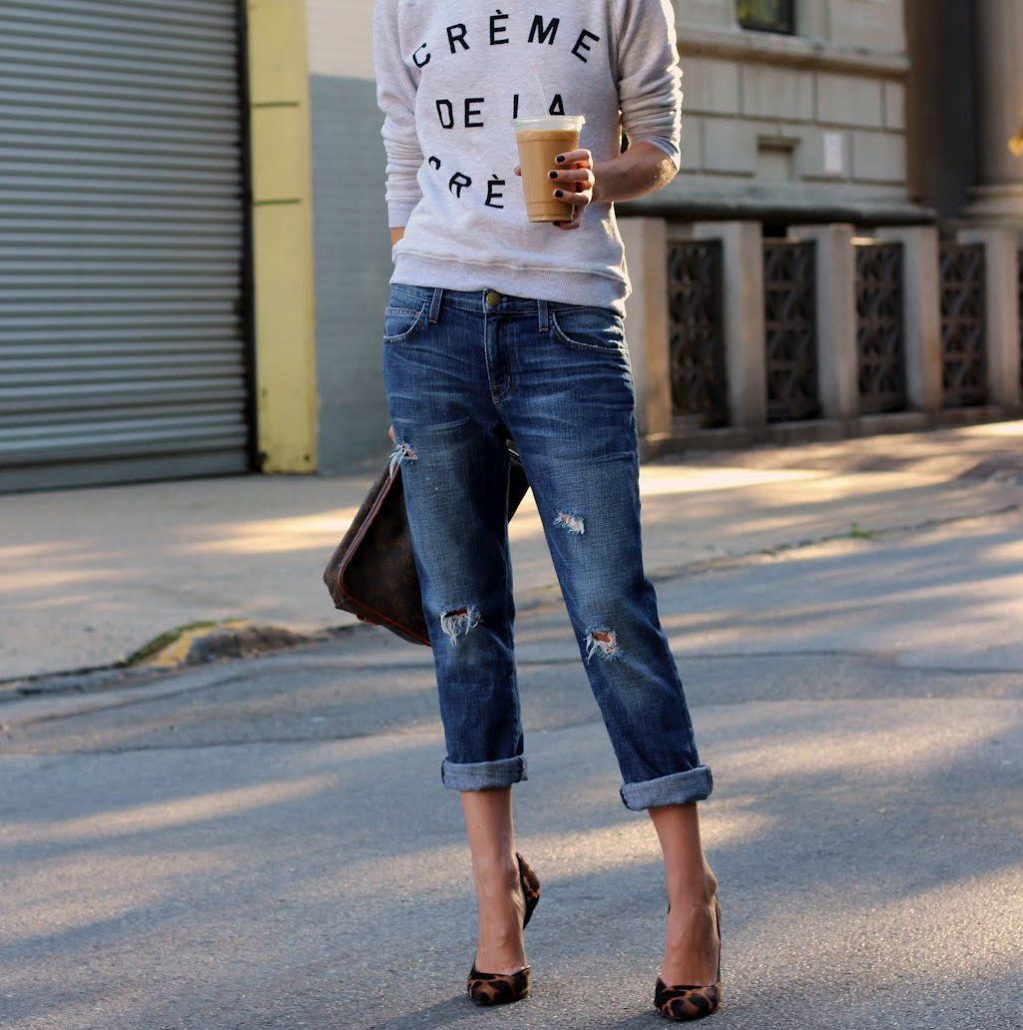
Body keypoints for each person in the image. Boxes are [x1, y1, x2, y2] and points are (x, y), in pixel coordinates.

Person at [373, 1, 721, 1020]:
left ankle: (690, 895)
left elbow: (657, 149)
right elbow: (403, 151)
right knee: (461, 617)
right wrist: (416, 275)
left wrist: (594, 180)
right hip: (430, 321)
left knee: (612, 610)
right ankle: (496, 896)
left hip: (566, 326)